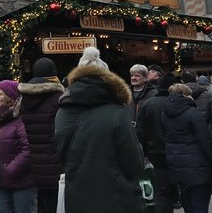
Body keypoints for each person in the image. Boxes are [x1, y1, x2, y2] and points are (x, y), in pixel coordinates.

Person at [55, 46, 145, 213]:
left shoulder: (62, 111)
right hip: (116, 198)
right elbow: (135, 165)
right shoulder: (117, 112)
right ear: (108, 79)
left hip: (76, 198)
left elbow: (60, 154)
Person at [162, 83, 212, 213]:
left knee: (188, 206)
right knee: (199, 206)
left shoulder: (165, 114)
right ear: (186, 96)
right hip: (198, 166)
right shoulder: (193, 113)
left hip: (176, 165)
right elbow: (206, 141)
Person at [17, 57, 65, 213]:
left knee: (43, 203)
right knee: (55, 205)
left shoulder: (25, 100)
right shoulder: (57, 99)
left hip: (36, 164)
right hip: (56, 164)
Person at [136, 73, 179, 213]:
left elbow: (140, 132)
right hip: (178, 153)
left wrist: (144, 153)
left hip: (156, 154)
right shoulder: (178, 103)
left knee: (161, 193)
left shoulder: (148, 104)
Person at [0, 79, 35, 213]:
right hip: (2, 181)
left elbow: (28, 150)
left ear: (11, 98)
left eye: (0, 93)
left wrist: (9, 170)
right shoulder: (1, 119)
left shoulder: (21, 120)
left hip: (21, 182)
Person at [130, 64, 156, 130]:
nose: (133, 78)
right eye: (132, 75)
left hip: (145, 133)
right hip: (127, 132)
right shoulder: (124, 93)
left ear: (145, 78)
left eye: (137, 76)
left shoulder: (153, 94)